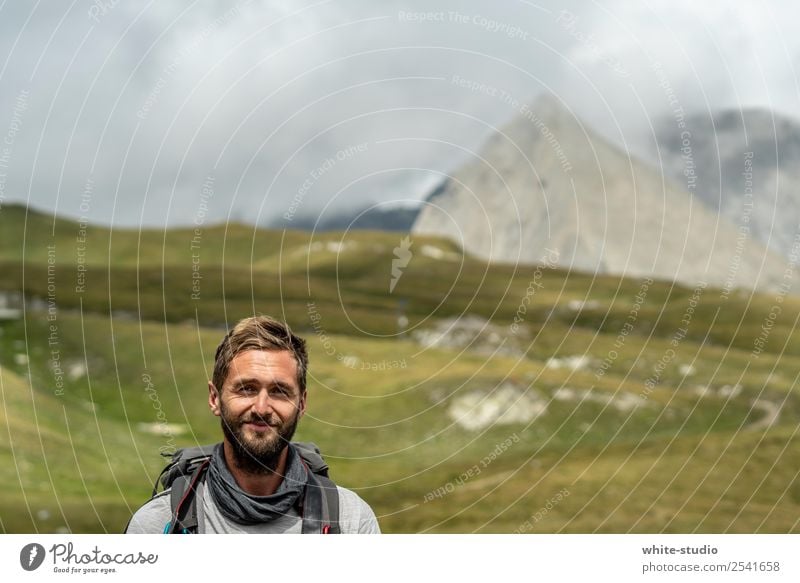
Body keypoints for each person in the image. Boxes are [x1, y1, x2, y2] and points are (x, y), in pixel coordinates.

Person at [126, 315, 380, 533]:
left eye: (280, 391)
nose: (261, 408)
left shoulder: (351, 522)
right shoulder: (157, 524)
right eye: (246, 389)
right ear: (215, 398)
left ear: (301, 404)